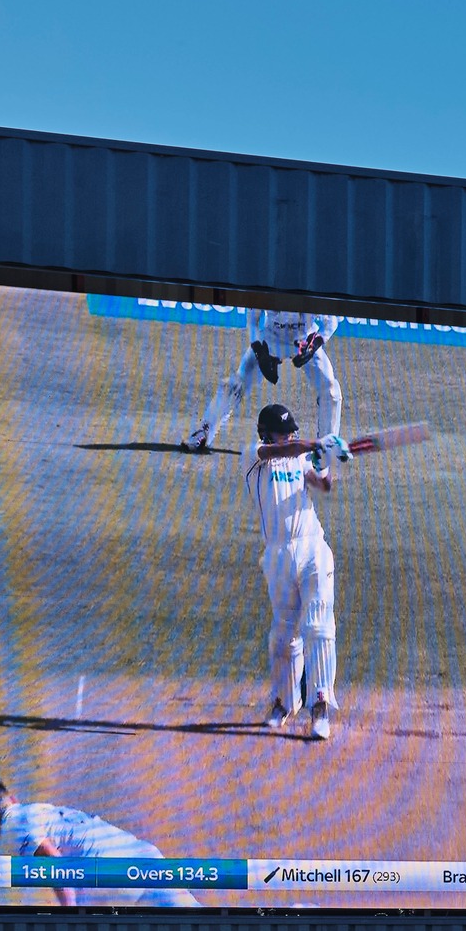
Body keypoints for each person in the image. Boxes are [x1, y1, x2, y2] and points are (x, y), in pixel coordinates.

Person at [245, 402, 348, 740]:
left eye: (292, 431)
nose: (289, 436)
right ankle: (284, 702)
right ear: (266, 434)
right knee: (284, 635)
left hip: (312, 549)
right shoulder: (253, 456)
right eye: (283, 431)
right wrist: (314, 443)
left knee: (319, 627)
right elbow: (283, 450)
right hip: (277, 555)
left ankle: (320, 707)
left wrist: (323, 462)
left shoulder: (300, 456)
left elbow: (324, 486)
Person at [0, 777, 197, 908]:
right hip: (145, 858)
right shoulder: (40, 809)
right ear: (14, 799)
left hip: (114, 880)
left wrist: (70, 913)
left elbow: (54, 865)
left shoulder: (11, 825)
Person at [184, 309, 344, 453]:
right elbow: (252, 321)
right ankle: (204, 430)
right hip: (270, 339)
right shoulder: (267, 281)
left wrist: (314, 344)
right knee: (235, 385)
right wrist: (260, 352)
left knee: (331, 390)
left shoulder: (311, 284)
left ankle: (327, 447)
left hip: (303, 340)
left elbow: (332, 322)